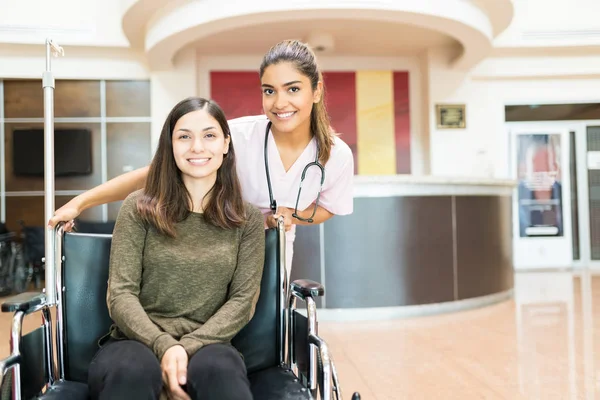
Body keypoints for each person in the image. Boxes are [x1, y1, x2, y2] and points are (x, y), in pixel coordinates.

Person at [49, 39, 354, 275]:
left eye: (293, 89)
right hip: (211, 253)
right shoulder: (235, 135)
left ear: (316, 91)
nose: (279, 102)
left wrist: (291, 215)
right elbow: (153, 173)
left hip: (273, 260)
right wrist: (80, 202)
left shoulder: (336, 155)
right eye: (269, 90)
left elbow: (328, 207)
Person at [87, 97, 265, 400]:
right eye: (184, 136)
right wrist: (164, 345)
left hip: (211, 345)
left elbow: (242, 301)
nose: (197, 147)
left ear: (225, 144)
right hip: (134, 342)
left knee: (221, 375)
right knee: (133, 372)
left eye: (209, 135)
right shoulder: (137, 208)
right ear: (170, 146)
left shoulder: (247, 220)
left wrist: (186, 347)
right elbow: (120, 295)